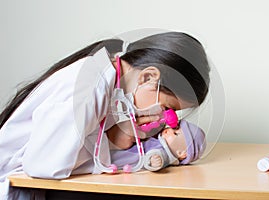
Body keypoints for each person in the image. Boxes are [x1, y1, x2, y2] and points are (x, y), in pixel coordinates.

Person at [0, 31, 210, 199]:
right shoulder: (91, 89)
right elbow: (43, 167)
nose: (161, 119)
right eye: (166, 107)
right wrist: (114, 141)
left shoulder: (111, 85)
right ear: (148, 77)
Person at [109, 119, 206, 172]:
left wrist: (154, 161)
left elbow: (155, 157)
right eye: (174, 128)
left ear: (182, 154)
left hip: (117, 158)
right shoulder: (160, 141)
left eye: (175, 134)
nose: (169, 130)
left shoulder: (162, 151)